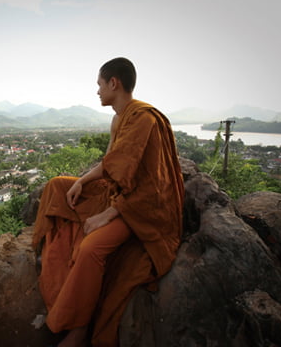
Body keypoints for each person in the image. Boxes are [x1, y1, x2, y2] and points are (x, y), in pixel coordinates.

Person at [32, 57, 184, 347]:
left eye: (99, 85)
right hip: (118, 192)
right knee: (56, 187)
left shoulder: (144, 119)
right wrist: (81, 181)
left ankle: (79, 329)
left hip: (143, 206)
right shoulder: (119, 118)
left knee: (90, 248)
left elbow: (151, 185)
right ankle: (63, 273)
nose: (98, 92)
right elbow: (112, 164)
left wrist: (109, 215)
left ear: (114, 83)